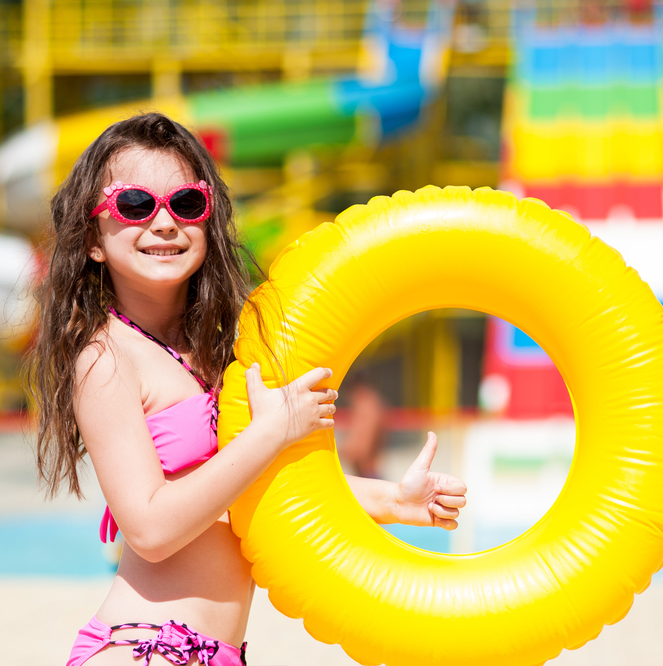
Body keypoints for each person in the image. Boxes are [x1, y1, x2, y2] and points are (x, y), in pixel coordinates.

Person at [26, 112, 467, 666]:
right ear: (92, 238)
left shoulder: (216, 350)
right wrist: (273, 431)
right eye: (135, 204)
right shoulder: (106, 358)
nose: (164, 223)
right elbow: (151, 527)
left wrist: (394, 501)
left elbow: (249, 494)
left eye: (186, 204)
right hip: (145, 648)